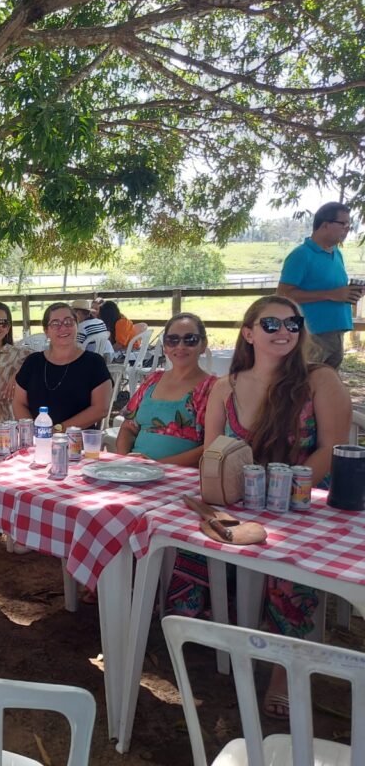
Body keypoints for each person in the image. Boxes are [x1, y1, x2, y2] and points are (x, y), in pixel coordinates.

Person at [204, 295, 351, 718]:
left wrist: (283, 491)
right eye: (271, 324)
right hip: (238, 499)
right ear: (248, 333)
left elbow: (332, 449)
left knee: (289, 567)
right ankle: (215, 640)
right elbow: (214, 451)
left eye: (292, 323)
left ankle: (284, 670)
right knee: (181, 544)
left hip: (301, 503)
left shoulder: (320, 380)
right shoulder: (225, 386)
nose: (284, 331)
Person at [116, 313, 215, 465]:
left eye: (190, 340)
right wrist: (125, 460)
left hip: (181, 477)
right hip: (136, 472)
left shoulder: (211, 388)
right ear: (165, 347)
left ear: (203, 344)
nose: (180, 346)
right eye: (172, 340)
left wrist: (157, 466)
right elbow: (128, 428)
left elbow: (211, 448)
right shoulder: (152, 380)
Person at [277, 201, 361, 369]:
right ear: (325, 225)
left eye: (349, 224)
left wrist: (350, 293)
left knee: (326, 386)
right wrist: (330, 294)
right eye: (343, 223)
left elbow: (337, 291)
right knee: (303, 384)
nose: (347, 228)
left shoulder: (337, 253)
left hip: (336, 332)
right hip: (312, 335)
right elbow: (283, 294)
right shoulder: (301, 255)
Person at [12, 302, 112, 428]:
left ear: (77, 325)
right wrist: (33, 432)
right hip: (37, 441)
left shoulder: (94, 363)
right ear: (46, 331)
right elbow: (18, 403)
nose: (63, 327)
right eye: (55, 323)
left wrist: (58, 430)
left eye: (68, 322)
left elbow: (100, 408)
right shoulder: (33, 362)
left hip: (77, 441)